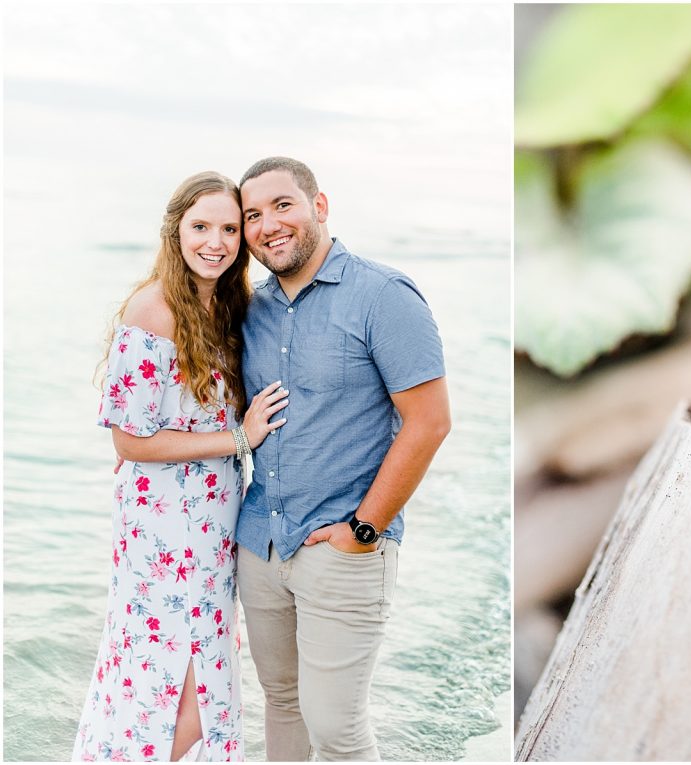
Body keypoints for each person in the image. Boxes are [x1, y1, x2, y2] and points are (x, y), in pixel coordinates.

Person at [236, 157, 451, 761]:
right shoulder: (252, 310)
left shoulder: (383, 295)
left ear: (319, 205)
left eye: (283, 205)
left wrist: (363, 530)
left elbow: (430, 422)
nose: (268, 225)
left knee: (337, 729)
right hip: (260, 543)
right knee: (281, 705)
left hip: (344, 548)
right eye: (253, 215)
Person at [73, 171, 289, 762]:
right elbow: (129, 442)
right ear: (176, 232)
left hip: (215, 518)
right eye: (200, 227)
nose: (215, 242)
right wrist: (237, 440)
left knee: (204, 662)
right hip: (165, 523)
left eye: (227, 228)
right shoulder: (154, 310)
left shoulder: (223, 306)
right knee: (179, 675)